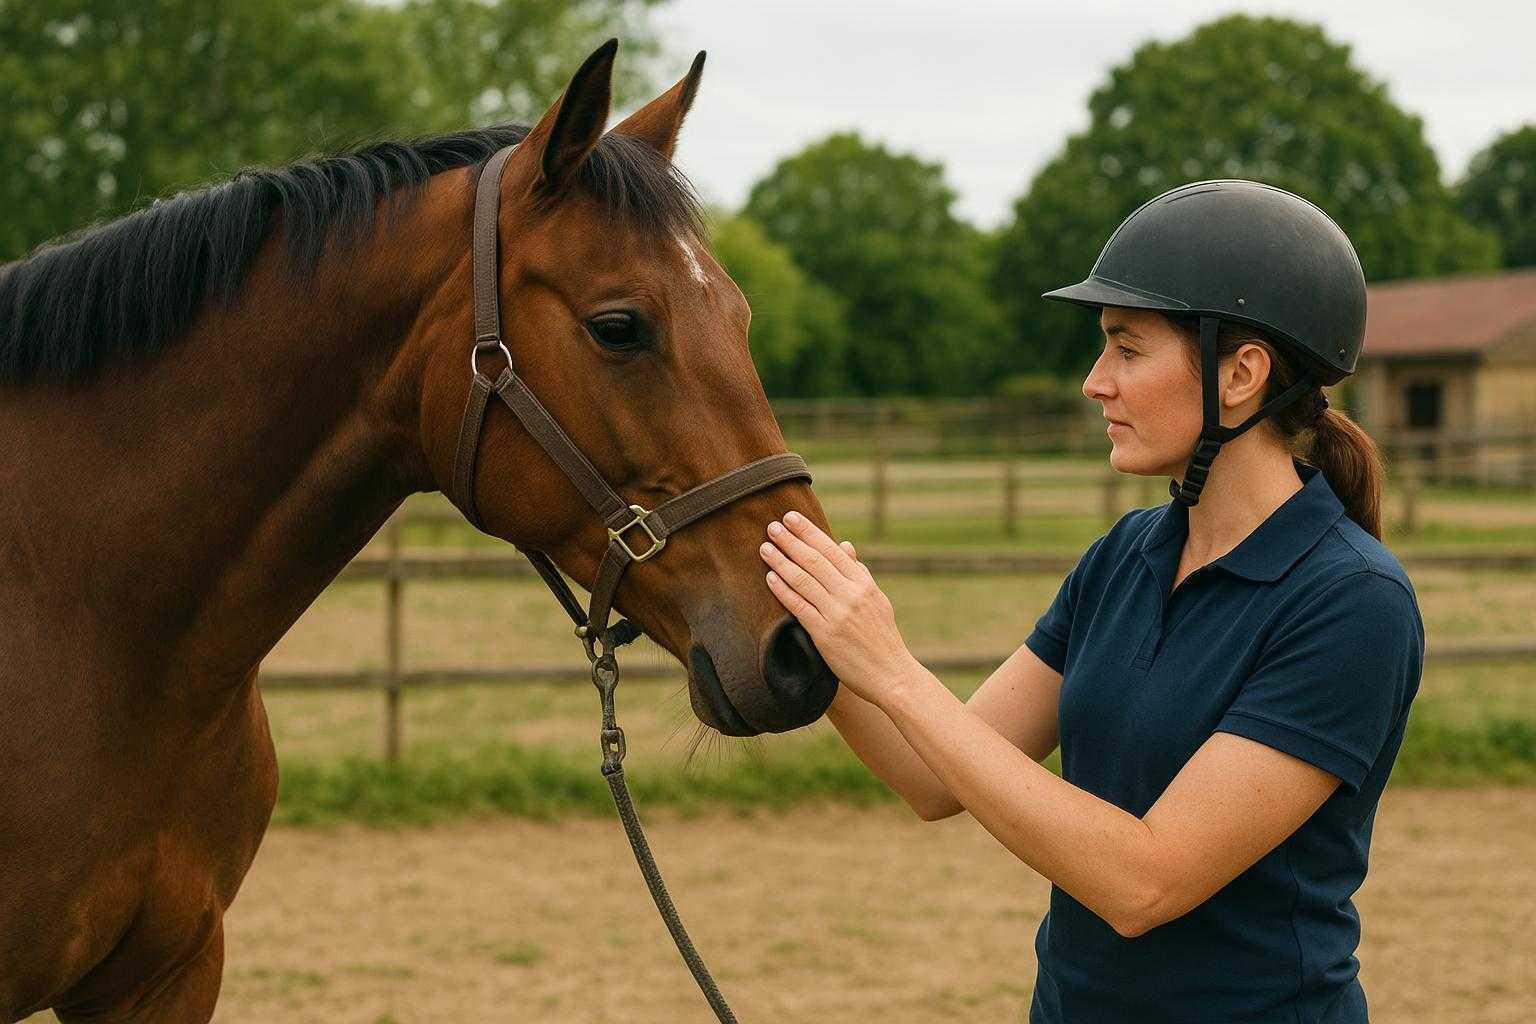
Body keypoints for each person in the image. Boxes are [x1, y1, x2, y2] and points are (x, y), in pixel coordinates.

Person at [759, 179, 1424, 1023]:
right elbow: (932, 776)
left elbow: (1141, 881)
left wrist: (892, 670)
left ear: (1242, 373)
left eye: (1127, 349)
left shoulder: (1352, 603)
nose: (1093, 382)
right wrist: (800, 612)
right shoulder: (1125, 557)